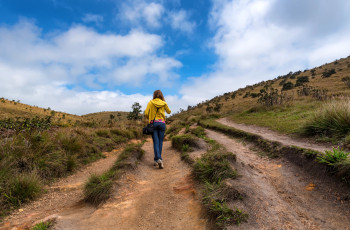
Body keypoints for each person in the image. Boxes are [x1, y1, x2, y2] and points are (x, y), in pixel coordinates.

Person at [144, 90, 171, 169]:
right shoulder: (164, 103)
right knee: (160, 142)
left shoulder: (151, 102)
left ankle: (158, 159)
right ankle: (157, 159)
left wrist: (150, 118)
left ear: (154, 95)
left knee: (156, 142)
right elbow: (169, 112)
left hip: (153, 124)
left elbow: (146, 113)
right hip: (162, 124)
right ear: (161, 95)